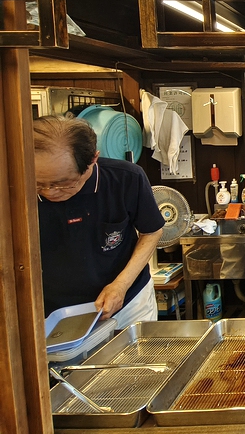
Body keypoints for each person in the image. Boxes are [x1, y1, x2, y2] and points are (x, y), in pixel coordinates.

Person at [33, 115, 165, 330]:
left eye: (64, 183)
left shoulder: (125, 178)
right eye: (40, 183)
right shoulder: (15, 189)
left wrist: (121, 285)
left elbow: (152, 231)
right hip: (53, 313)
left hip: (127, 304)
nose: (50, 192)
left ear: (93, 160)